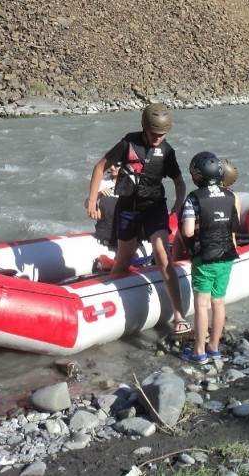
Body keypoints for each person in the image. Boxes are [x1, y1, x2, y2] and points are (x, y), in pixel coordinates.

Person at [86, 103, 189, 334]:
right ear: (144, 127)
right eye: (155, 134)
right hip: (127, 209)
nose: (158, 138)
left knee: (163, 256)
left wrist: (177, 205)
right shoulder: (128, 143)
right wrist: (92, 199)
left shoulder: (167, 151)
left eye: (163, 135)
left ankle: (179, 316)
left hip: (154, 209)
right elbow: (100, 166)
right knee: (124, 260)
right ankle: (107, 306)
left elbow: (179, 183)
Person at [179, 152, 241, 364]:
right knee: (219, 302)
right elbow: (234, 226)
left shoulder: (194, 198)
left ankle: (199, 351)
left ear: (197, 175)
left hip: (204, 257)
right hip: (226, 256)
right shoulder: (231, 196)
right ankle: (214, 347)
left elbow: (187, 232)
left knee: (201, 304)